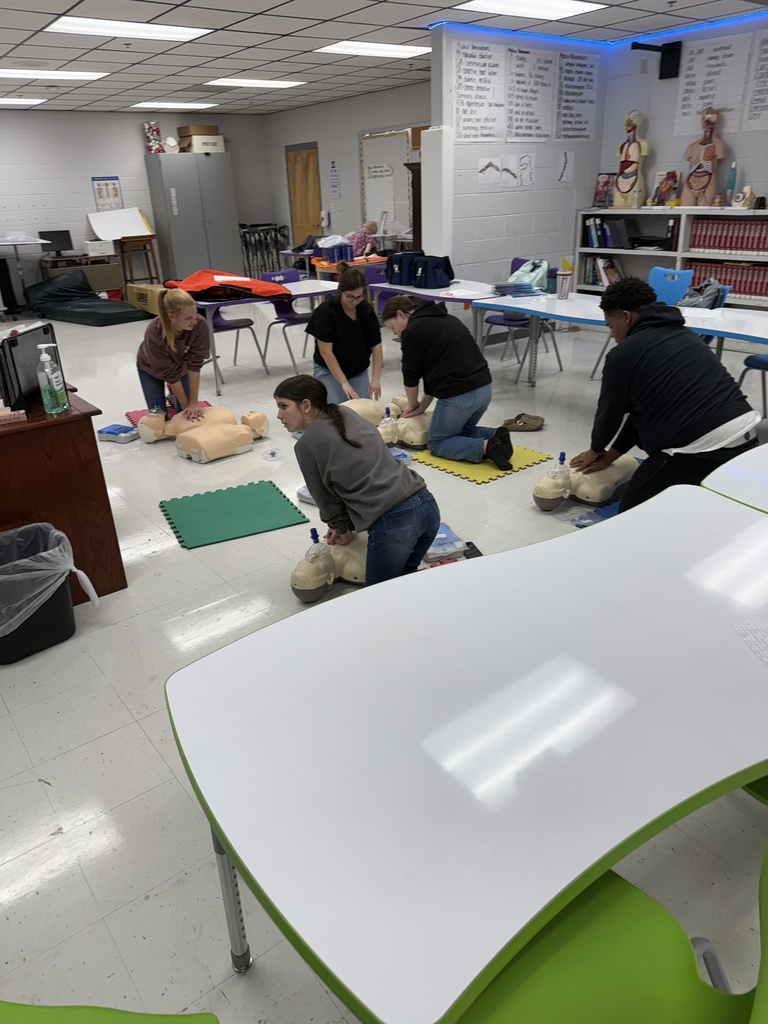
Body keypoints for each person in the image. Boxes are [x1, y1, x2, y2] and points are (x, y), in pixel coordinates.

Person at [571, 277, 760, 512]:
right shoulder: (686, 336)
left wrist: (595, 449)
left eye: (611, 326)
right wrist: (608, 457)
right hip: (748, 439)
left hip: (701, 450)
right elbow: (639, 415)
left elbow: (609, 414)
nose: (612, 335)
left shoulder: (623, 355)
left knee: (631, 514)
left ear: (626, 317)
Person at [274, 375, 440, 586]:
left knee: (378, 594)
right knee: (405, 583)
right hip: (427, 504)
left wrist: (342, 531)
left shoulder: (305, 445)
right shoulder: (344, 413)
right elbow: (359, 469)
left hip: (395, 521)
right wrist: (343, 525)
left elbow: (325, 499)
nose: (278, 415)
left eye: (283, 406)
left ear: (306, 405)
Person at [381, 295, 513, 471]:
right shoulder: (447, 318)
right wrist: (422, 406)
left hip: (460, 395)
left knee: (437, 442)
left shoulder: (411, 332)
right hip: (485, 388)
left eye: (392, 327)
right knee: (459, 432)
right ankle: (496, 434)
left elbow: (411, 374)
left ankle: (486, 447)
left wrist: (412, 404)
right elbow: (433, 372)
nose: (394, 333)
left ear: (400, 314)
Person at [305, 262, 383, 403]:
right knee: (336, 408)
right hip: (328, 370)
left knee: (361, 408)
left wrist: (376, 378)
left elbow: (376, 345)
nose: (354, 301)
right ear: (340, 291)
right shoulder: (326, 312)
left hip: (357, 371)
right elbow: (326, 352)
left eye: (359, 297)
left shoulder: (365, 310)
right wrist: (343, 382)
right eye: (350, 296)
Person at [136, 288, 209, 420]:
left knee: (186, 412)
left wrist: (192, 404)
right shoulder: (154, 331)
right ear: (171, 316)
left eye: (195, 314)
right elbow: (169, 373)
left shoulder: (199, 324)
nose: (194, 321)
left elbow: (195, 364)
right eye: (188, 318)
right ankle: (173, 396)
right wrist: (186, 409)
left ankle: (173, 396)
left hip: (181, 366)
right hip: (150, 368)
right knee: (159, 417)